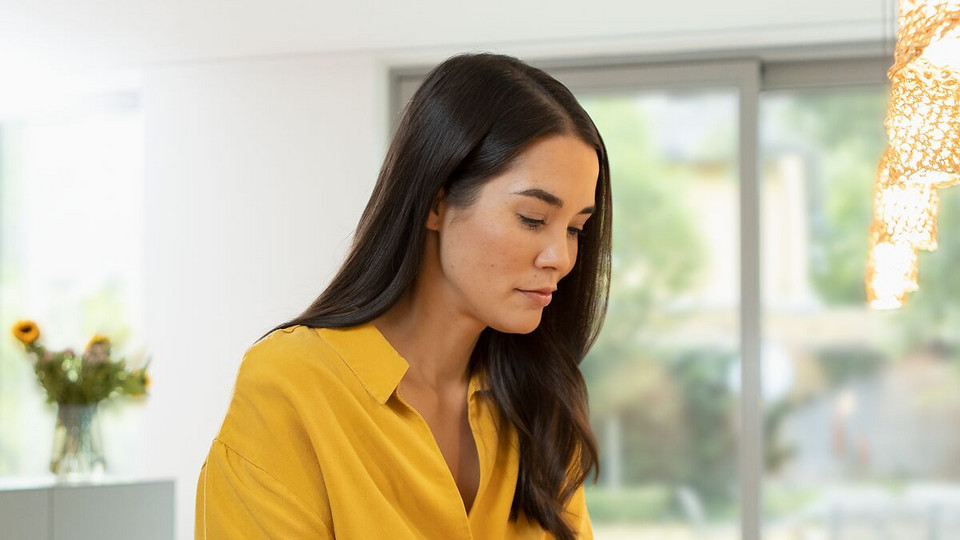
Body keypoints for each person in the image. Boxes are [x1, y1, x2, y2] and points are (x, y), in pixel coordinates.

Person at [195, 52, 612, 539]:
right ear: (436, 202)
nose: (560, 257)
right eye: (533, 219)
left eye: (577, 229)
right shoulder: (292, 384)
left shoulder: (540, 406)